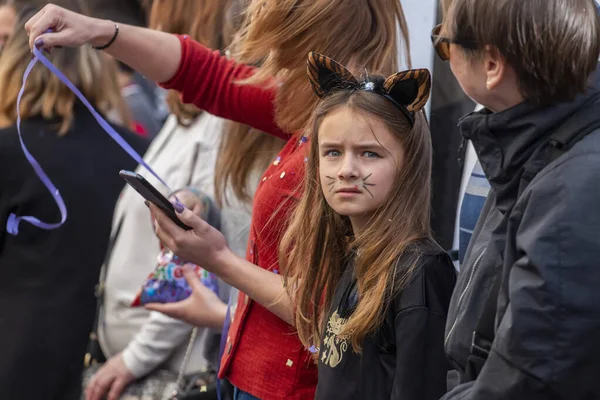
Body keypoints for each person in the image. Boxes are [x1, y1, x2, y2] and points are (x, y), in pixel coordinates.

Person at [24, 1, 412, 398]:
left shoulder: (352, 134)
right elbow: (204, 73)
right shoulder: (321, 113)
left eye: (281, 43)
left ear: (307, 36)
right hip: (250, 377)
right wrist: (98, 31)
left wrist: (217, 259)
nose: (269, 60)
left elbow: (332, 306)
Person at [431, 0, 600, 398]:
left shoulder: (575, 186)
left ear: (492, 65)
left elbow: (531, 381)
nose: (444, 51)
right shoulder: (541, 146)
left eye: (444, 45)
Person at [84, 1, 242, 400]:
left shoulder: (218, 123)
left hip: (171, 373)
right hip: (145, 363)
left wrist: (136, 358)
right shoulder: (183, 118)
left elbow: (192, 258)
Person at [0, 6, 147, 400]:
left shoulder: (8, 151)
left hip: (21, 360)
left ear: (14, 61)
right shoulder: (139, 152)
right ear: (98, 68)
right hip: (110, 362)